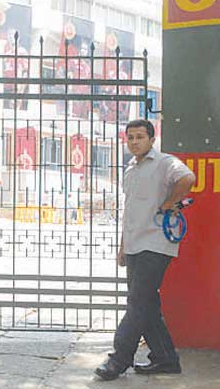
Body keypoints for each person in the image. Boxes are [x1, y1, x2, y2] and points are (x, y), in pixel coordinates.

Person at [94, 119, 196, 381]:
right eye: (130, 137)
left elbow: (188, 178)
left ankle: (118, 360)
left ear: (152, 140)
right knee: (147, 303)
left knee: (138, 301)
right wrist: (123, 248)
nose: (135, 141)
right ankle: (165, 358)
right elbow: (130, 213)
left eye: (140, 137)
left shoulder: (164, 162)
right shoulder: (130, 170)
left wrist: (169, 203)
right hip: (135, 244)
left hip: (156, 242)